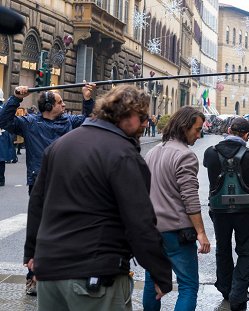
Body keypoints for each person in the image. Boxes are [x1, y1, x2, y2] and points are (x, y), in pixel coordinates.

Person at [23, 85, 172, 310]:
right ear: (122, 114)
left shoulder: (60, 145)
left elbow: (37, 203)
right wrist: (160, 272)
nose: (145, 123)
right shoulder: (123, 153)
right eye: (141, 117)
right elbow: (140, 221)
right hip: (95, 274)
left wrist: (32, 253)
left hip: (51, 271)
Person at [0, 84, 96, 296]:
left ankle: (63, 273)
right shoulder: (30, 123)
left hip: (69, 183)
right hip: (40, 184)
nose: (63, 105)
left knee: (70, 228)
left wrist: (88, 99)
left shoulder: (69, 122)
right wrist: (15, 98)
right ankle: (33, 277)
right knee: (38, 231)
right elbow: (3, 120)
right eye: (60, 102)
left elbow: (92, 120)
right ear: (49, 106)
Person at [143, 106, 211, 311]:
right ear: (184, 127)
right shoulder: (185, 155)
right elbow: (189, 198)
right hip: (177, 231)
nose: (199, 135)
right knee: (188, 285)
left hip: (153, 229)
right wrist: (201, 232)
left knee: (152, 283)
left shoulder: (154, 152)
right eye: (197, 130)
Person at [203, 117, 249, 311]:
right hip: (245, 211)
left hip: (219, 210)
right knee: (246, 251)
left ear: (228, 130)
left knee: (223, 248)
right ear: (246, 135)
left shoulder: (211, 152)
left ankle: (226, 288)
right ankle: (238, 293)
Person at [0, 90, 16, 186]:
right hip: (4, 135)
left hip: (2, 134)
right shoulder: (4, 107)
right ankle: (1, 179)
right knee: (1, 159)